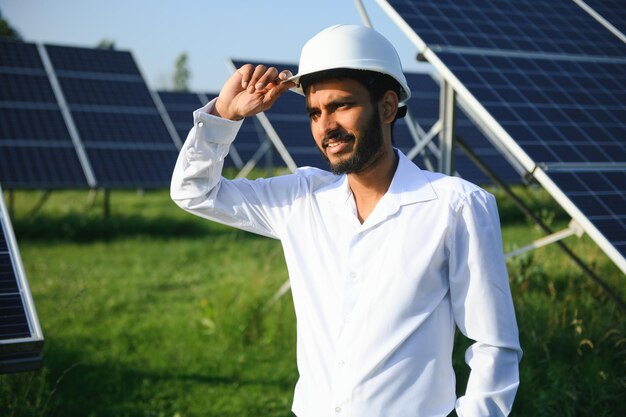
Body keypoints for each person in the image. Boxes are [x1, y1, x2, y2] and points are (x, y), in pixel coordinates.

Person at [171, 24, 521, 417]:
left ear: (387, 107)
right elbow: (194, 192)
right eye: (315, 113)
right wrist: (223, 115)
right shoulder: (302, 199)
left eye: (341, 106)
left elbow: (493, 345)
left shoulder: (455, 206)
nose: (326, 127)